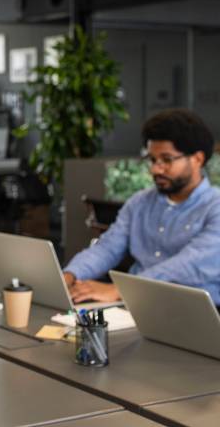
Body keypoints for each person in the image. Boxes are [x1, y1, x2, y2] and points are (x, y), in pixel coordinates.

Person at [63, 108, 220, 305]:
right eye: (152, 160)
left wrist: (120, 290)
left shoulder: (215, 207)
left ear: (197, 159)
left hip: (192, 311)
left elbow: (189, 265)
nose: (156, 169)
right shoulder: (139, 202)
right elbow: (107, 248)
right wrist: (69, 275)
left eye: (167, 159)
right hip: (133, 306)